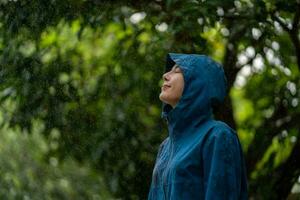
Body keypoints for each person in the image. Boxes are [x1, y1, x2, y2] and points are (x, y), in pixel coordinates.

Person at [147, 53, 248, 199]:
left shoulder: (217, 135)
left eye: (177, 71)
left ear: (197, 83)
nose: (165, 75)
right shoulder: (165, 147)